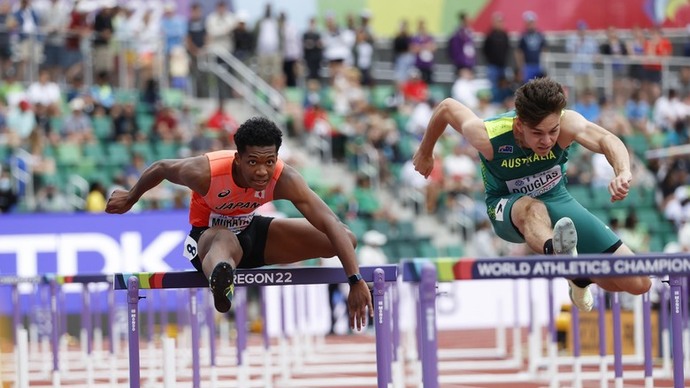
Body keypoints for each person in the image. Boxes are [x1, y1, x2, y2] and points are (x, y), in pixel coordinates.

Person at [106, 117, 373, 330]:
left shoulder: (284, 178)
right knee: (224, 239)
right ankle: (221, 279)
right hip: (208, 241)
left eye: (270, 162)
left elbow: (329, 221)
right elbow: (162, 167)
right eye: (253, 162)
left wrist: (355, 279)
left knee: (345, 238)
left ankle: (225, 271)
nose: (262, 171)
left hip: (251, 232)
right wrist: (131, 197)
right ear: (238, 159)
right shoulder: (205, 172)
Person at [412, 77, 651, 312]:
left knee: (639, 283)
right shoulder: (488, 135)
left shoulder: (568, 123)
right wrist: (425, 151)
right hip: (507, 207)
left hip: (557, 198)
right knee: (532, 207)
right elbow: (446, 107)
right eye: (537, 133)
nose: (547, 141)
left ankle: (579, 278)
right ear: (519, 125)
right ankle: (561, 257)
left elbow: (607, 139)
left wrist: (623, 171)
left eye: (553, 131)